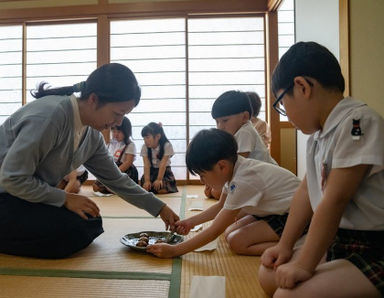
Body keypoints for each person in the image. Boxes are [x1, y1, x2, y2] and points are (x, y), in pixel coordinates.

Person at [0, 63, 179, 259]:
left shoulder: (92, 135)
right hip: (6, 194)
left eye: (124, 116)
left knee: (88, 219)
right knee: (70, 230)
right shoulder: (51, 116)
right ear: (94, 99)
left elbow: (116, 180)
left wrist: (160, 207)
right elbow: (12, 179)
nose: (119, 123)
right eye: (117, 114)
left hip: (24, 198)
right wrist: (65, 198)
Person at [258, 41, 384, 298]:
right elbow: (306, 192)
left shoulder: (357, 123)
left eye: (282, 104)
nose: (286, 116)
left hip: (373, 246)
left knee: (286, 295)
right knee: (269, 276)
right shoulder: (319, 136)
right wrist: (285, 245)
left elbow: (335, 200)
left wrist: (304, 264)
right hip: (339, 240)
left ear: (302, 87)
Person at [147, 128, 301, 258]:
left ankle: (295, 248)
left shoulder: (244, 179)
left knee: (237, 242)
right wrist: (190, 222)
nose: (201, 181)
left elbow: (215, 229)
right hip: (275, 211)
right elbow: (221, 206)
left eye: (202, 175)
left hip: (297, 215)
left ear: (222, 167)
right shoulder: (237, 167)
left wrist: (175, 250)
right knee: (230, 232)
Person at [205, 90, 277, 199]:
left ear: (244, 117)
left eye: (225, 121)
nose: (220, 127)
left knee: (217, 193)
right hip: (254, 179)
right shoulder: (236, 133)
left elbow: (236, 167)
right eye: (217, 122)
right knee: (215, 191)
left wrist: (218, 185)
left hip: (268, 182)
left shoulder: (245, 132)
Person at [93, 116, 138, 193]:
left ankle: (114, 188)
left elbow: (128, 163)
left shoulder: (130, 145)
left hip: (124, 171)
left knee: (115, 184)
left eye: (119, 132)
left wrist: (115, 173)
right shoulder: (111, 143)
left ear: (126, 131)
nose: (116, 134)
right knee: (96, 186)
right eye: (113, 131)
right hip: (112, 169)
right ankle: (112, 188)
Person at [140, 122, 178, 194]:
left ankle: (157, 188)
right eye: (144, 138)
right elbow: (146, 165)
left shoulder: (167, 145)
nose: (145, 141)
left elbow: (163, 164)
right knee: (146, 186)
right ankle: (153, 188)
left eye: (147, 137)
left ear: (158, 136)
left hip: (164, 172)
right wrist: (147, 181)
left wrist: (159, 179)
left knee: (161, 188)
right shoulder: (144, 147)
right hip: (151, 171)